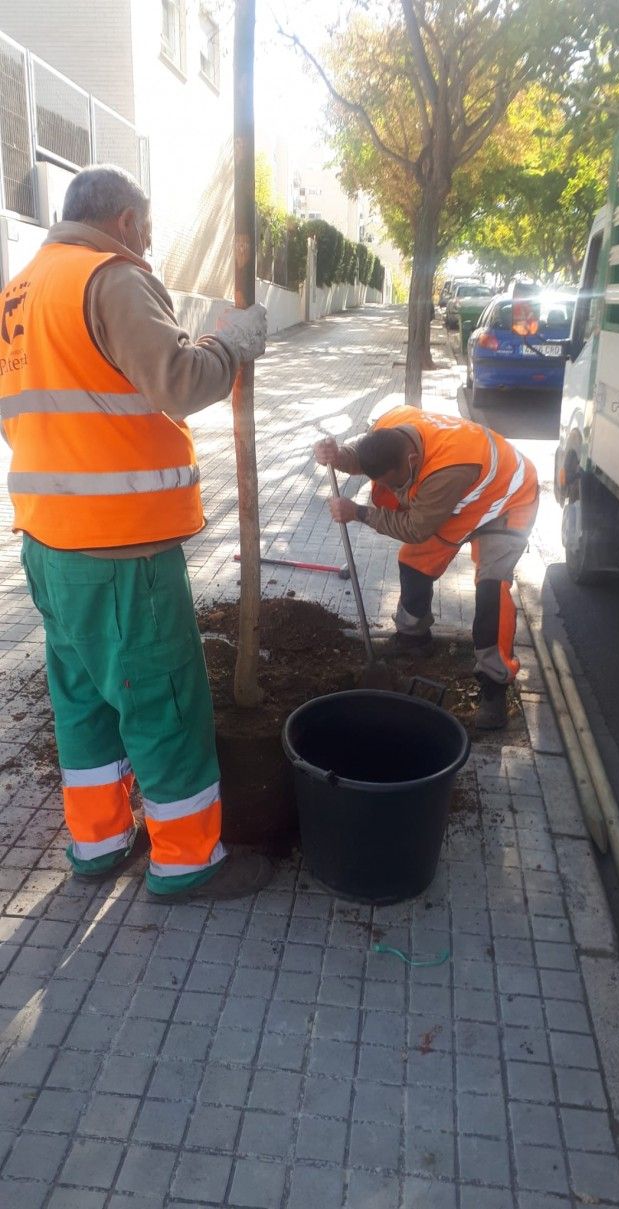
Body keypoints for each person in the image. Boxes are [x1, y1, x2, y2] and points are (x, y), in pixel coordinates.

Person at [0, 164, 271, 901]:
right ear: (122, 221)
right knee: (164, 700)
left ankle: (99, 844)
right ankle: (186, 860)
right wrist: (232, 344)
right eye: (145, 232)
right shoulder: (109, 277)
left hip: (48, 547)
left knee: (84, 699)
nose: (148, 247)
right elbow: (179, 380)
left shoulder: (21, 291)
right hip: (123, 551)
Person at [314, 405, 539, 729]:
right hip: (463, 499)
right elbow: (361, 458)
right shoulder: (391, 424)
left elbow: (416, 528)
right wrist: (337, 456)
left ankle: (494, 686)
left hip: (508, 499)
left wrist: (359, 513)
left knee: (492, 588)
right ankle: (414, 639)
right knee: (415, 560)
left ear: (412, 462)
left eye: (395, 483)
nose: (393, 490)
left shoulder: (448, 469)